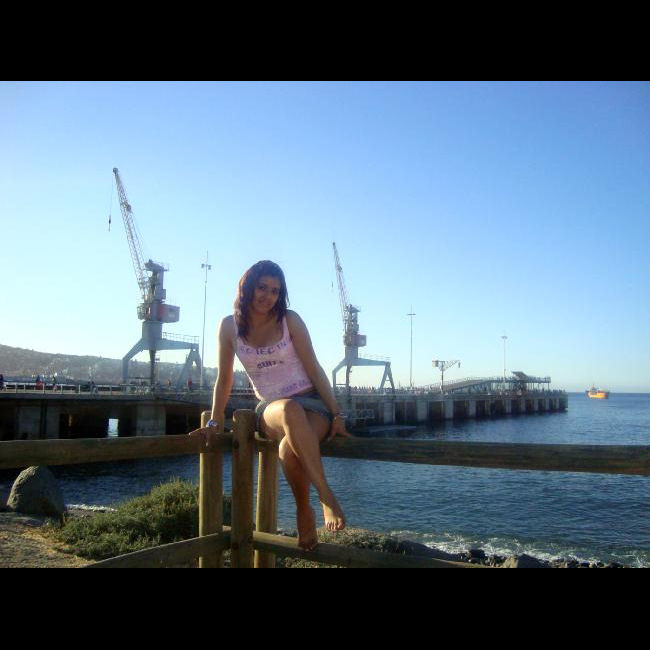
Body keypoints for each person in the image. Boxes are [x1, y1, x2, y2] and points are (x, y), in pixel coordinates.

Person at [190, 260, 349, 551]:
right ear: (248, 287)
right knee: (289, 409)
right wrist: (214, 421)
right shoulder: (229, 327)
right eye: (262, 287)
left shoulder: (290, 320)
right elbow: (224, 380)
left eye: (275, 291)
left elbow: (314, 368)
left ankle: (303, 509)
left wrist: (336, 413)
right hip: (273, 407)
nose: (268, 296)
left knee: (288, 448)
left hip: (313, 403)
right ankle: (326, 497)